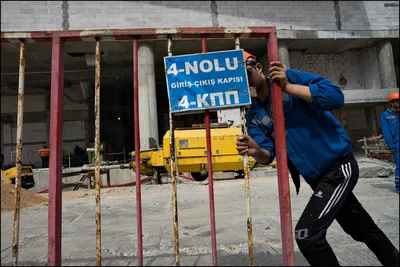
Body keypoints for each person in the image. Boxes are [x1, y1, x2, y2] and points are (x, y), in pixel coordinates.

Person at [236, 51, 399, 266]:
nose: (245, 81)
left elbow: (335, 97)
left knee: (307, 235)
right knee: (362, 229)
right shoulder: (254, 114)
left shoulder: (290, 78)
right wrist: (256, 151)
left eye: (246, 73)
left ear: (257, 68)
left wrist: (287, 87)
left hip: (338, 168)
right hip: (317, 178)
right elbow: (267, 153)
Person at [380, 91, 399, 192]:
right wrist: (390, 145)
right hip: (396, 144)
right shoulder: (385, 116)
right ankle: (399, 186)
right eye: (396, 101)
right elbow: (386, 132)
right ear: (391, 102)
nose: (398, 102)